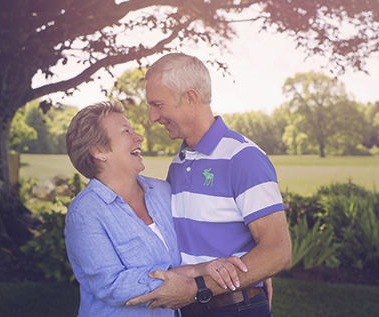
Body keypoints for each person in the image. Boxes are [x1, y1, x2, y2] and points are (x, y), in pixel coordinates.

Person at [126, 53, 292, 317]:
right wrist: (251, 270)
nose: (152, 116)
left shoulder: (243, 157)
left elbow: (278, 252)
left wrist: (197, 288)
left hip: (234, 309)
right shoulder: (179, 163)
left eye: (158, 105)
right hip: (188, 309)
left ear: (190, 99)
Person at [65, 101, 248, 316]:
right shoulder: (84, 213)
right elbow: (111, 284)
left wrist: (250, 268)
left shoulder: (162, 191)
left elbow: (201, 228)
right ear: (99, 151)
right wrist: (190, 284)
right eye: (126, 131)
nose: (139, 137)